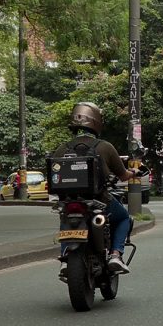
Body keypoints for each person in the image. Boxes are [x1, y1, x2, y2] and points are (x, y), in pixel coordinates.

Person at [51, 102, 140, 279]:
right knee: (123, 218)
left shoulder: (62, 148)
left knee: (65, 219)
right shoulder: (105, 147)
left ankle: (65, 258)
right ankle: (115, 254)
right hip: (100, 200)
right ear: (96, 122)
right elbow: (122, 175)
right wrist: (134, 173)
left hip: (69, 201)